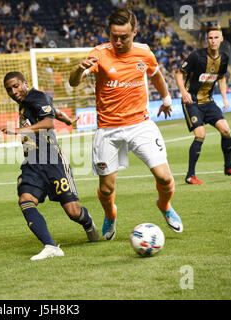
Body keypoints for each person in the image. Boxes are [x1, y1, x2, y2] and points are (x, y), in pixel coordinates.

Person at [69, 8, 183, 240]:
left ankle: (164, 205)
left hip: (140, 124)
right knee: (106, 189)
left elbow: (157, 76)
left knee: (165, 178)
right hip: (108, 130)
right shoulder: (98, 54)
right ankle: (110, 215)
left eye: (124, 37)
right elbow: (74, 83)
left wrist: (166, 99)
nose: (118, 41)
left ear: (135, 32)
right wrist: (79, 69)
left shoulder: (144, 53)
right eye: (114, 36)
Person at [0, 71, 99, 261]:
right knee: (25, 200)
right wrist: (67, 119)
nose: (13, 91)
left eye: (16, 86)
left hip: (52, 161)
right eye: (9, 89)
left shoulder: (36, 96)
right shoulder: (27, 102)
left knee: (73, 212)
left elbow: (48, 121)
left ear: (25, 83)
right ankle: (51, 246)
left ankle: (87, 223)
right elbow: (53, 111)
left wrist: (17, 130)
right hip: (32, 163)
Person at [175, 25, 231, 185]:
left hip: (209, 101)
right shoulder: (196, 56)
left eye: (216, 37)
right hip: (191, 101)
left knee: (226, 130)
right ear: (206, 40)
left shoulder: (224, 57)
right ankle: (190, 175)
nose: (213, 41)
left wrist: (225, 98)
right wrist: (183, 92)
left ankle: (229, 167)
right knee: (200, 134)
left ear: (222, 39)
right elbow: (179, 73)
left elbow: (221, 77)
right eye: (210, 38)